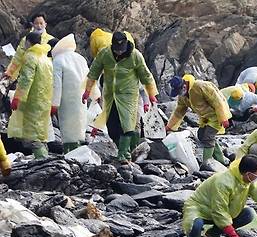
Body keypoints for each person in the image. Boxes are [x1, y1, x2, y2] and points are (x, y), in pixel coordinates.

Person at [84, 31, 157, 163]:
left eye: (121, 50)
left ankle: (124, 154)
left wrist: (151, 95)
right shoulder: (105, 54)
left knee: (127, 124)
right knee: (112, 127)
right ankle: (126, 148)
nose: (119, 53)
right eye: (116, 50)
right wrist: (87, 91)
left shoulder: (135, 56)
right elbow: (93, 73)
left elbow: (146, 76)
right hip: (110, 95)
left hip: (128, 94)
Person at [182, 155, 257, 237]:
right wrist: (233, 235)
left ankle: (213, 233)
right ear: (247, 174)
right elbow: (219, 211)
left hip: (223, 211)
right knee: (195, 225)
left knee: (248, 214)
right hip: (200, 208)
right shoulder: (223, 182)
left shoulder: (249, 180)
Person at [165, 74, 231, 164]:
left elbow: (217, 101)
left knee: (208, 137)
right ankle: (220, 160)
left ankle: (206, 163)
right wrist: (170, 126)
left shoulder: (200, 86)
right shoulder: (183, 97)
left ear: (184, 86)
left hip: (217, 115)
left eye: (178, 91)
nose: (179, 94)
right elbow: (179, 111)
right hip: (205, 118)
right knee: (201, 135)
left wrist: (223, 118)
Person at [7, 32, 52, 159]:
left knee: (31, 135)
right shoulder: (45, 58)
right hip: (44, 101)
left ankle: (42, 160)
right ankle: (46, 158)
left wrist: (17, 97)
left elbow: (26, 80)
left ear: (28, 42)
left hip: (32, 100)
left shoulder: (30, 56)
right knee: (40, 133)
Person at [51, 34, 96, 153]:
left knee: (68, 129)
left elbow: (57, 85)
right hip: (82, 98)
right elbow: (90, 77)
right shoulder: (80, 58)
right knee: (80, 126)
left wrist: (54, 104)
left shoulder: (58, 60)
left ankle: (70, 153)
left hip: (67, 100)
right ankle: (80, 153)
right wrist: (95, 95)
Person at [3, 12, 54, 81]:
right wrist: (10, 72)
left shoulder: (51, 40)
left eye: (41, 23)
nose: (39, 26)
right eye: (36, 23)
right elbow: (18, 57)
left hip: (43, 76)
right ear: (32, 24)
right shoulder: (26, 39)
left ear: (45, 24)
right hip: (26, 74)